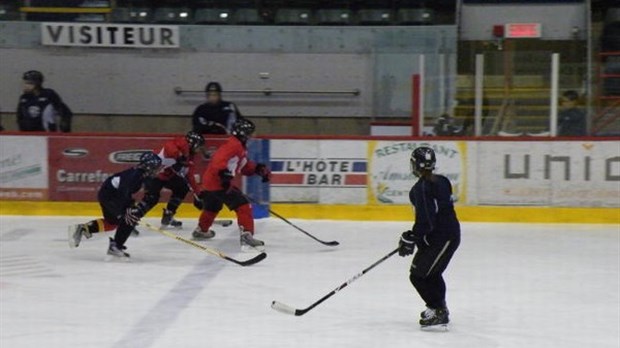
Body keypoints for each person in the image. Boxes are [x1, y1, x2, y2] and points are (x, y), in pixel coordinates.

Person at [398, 146, 460, 329]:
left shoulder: (421, 188)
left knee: (419, 276)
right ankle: (439, 308)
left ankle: (438, 310)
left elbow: (427, 220)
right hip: (442, 236)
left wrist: (412, 237)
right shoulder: (442, 181)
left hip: (442, 238)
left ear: (414, 164)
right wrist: (415, 237)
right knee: (429, 274)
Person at [193, 118, 271, 251]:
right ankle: (246, 234)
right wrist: (223, 175)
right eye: (250, 133)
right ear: (243, 133)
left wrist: (257, 169)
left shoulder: (239, 146)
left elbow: (243, 166)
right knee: (243, 206)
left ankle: (201, 230)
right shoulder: (234, 145)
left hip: (211, 182)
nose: (252, 136)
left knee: (212, 206)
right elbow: (218, 160)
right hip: (218, 183)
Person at [68, 152, 163, 259]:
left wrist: (137, 208)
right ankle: (116, 246)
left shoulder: (143, 174)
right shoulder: (135, 175)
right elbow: (123, 192)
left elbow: (148, 194)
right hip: (111, 196)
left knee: (112, 223)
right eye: (156, 168)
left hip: (110, 194)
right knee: (130, 218)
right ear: (149, 167)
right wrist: (128, 210)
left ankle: (82, 229)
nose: (157, 170)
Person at [141, 131, 205, 229]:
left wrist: (198, 195)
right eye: (198, 146)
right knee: (151, 199)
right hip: (154, 174)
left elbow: (189, 175)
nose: (199, 150)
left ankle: (169, 214)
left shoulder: (190, 156)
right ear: (193, 143)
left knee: (183, 187)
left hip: (167, 176)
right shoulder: (182, 143)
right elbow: (168, 147)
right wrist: (178, 158)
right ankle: (131, 220)